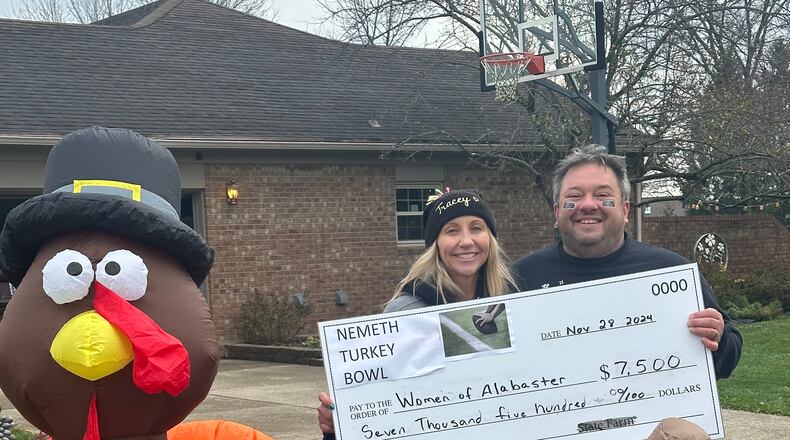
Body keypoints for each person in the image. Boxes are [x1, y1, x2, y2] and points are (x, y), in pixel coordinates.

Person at [511, 144, 741, 379]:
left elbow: (727, 361)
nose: (589, 205)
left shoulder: (671, 272)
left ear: (625, 210)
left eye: (603, 196)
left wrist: (718, 338)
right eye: (574, 196)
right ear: (557, 212)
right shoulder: (521, 278)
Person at [317, 189, 517, 438]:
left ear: (490, 238)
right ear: (435, 244)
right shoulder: (404, 311)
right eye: (452, 230)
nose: (466, 241)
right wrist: (341, 424)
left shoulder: (516, 301)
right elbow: (380, 403)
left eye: (476, 228)